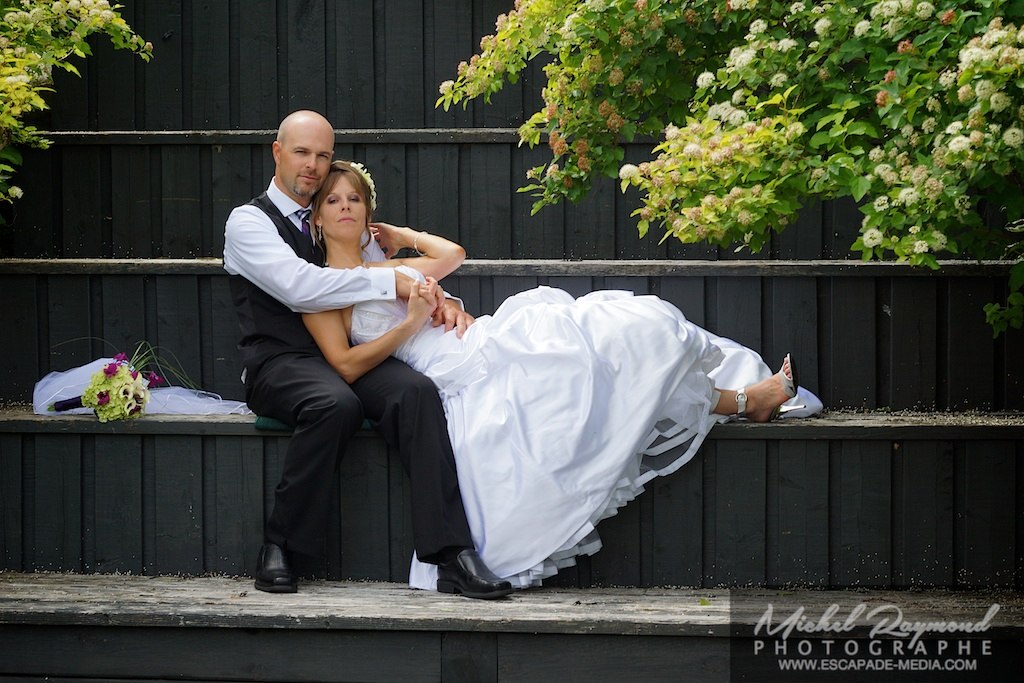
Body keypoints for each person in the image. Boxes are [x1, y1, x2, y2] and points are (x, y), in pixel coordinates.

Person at [302, 160, 822, 591]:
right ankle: (740, 400)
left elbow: (452, 256)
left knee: (619, 338)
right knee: (600, 365)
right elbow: (346, 363)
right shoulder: (320, 284)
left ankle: (742, 399)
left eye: (355, 199)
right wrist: (414, 322)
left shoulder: (379, 256)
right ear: (317, 218)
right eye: (333, 201)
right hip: (456, 373)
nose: (346, 207)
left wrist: (402, 237)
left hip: (481, 338)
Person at [222, 110, 512, 599]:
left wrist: (443, 302)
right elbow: (300, 286)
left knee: (416, 392)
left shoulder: (339, 224)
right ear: (277, 153)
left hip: (348, 353)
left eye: (323, 155)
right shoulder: (249, 222)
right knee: (333, 402)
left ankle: (451, 555)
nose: (312, 166)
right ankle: (281, 546)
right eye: (301, 153)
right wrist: (392, 280)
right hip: (282, 361)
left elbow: (430, 262)